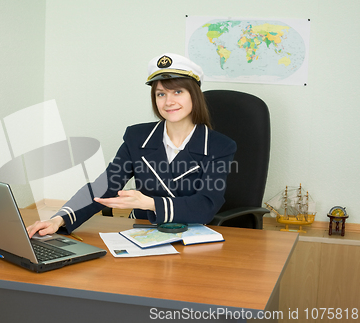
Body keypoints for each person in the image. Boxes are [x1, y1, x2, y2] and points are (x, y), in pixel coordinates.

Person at [27, 53, 236, 237]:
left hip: (192, 234)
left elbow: (206, 205)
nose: (168, 102)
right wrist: (59, 219)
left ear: (195, 96)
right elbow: (106, 185)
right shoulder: (137, 137)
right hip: (143, 230)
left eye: (178, 92)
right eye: (161, 94)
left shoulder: (220, 146)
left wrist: (150, 203)